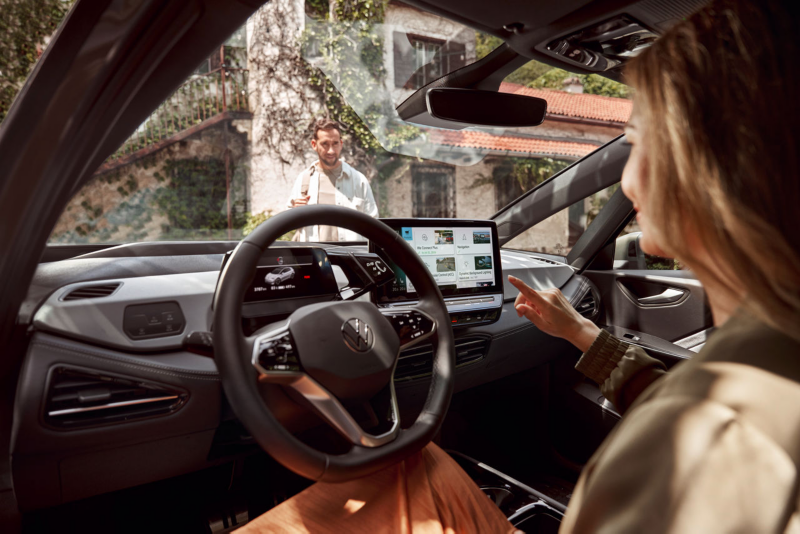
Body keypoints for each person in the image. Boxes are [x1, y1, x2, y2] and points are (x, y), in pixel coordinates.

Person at [239, 0, 800, 531]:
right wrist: (581, 334)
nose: (628, 181)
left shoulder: (709, 442)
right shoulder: (765, 358)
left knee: (400, 471)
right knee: (424, 463)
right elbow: (670, 396)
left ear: (714, 168)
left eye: (637, 143)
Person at [286, 118, 378, 242]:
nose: (331, 150)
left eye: (335, 143)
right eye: (325, 144)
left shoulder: (358, 180)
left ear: (341, 144)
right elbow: (288, 223)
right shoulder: (304, 180)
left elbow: (374, 227)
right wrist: (295, 213)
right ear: (314, 145)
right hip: (314, 257)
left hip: (350, 259)